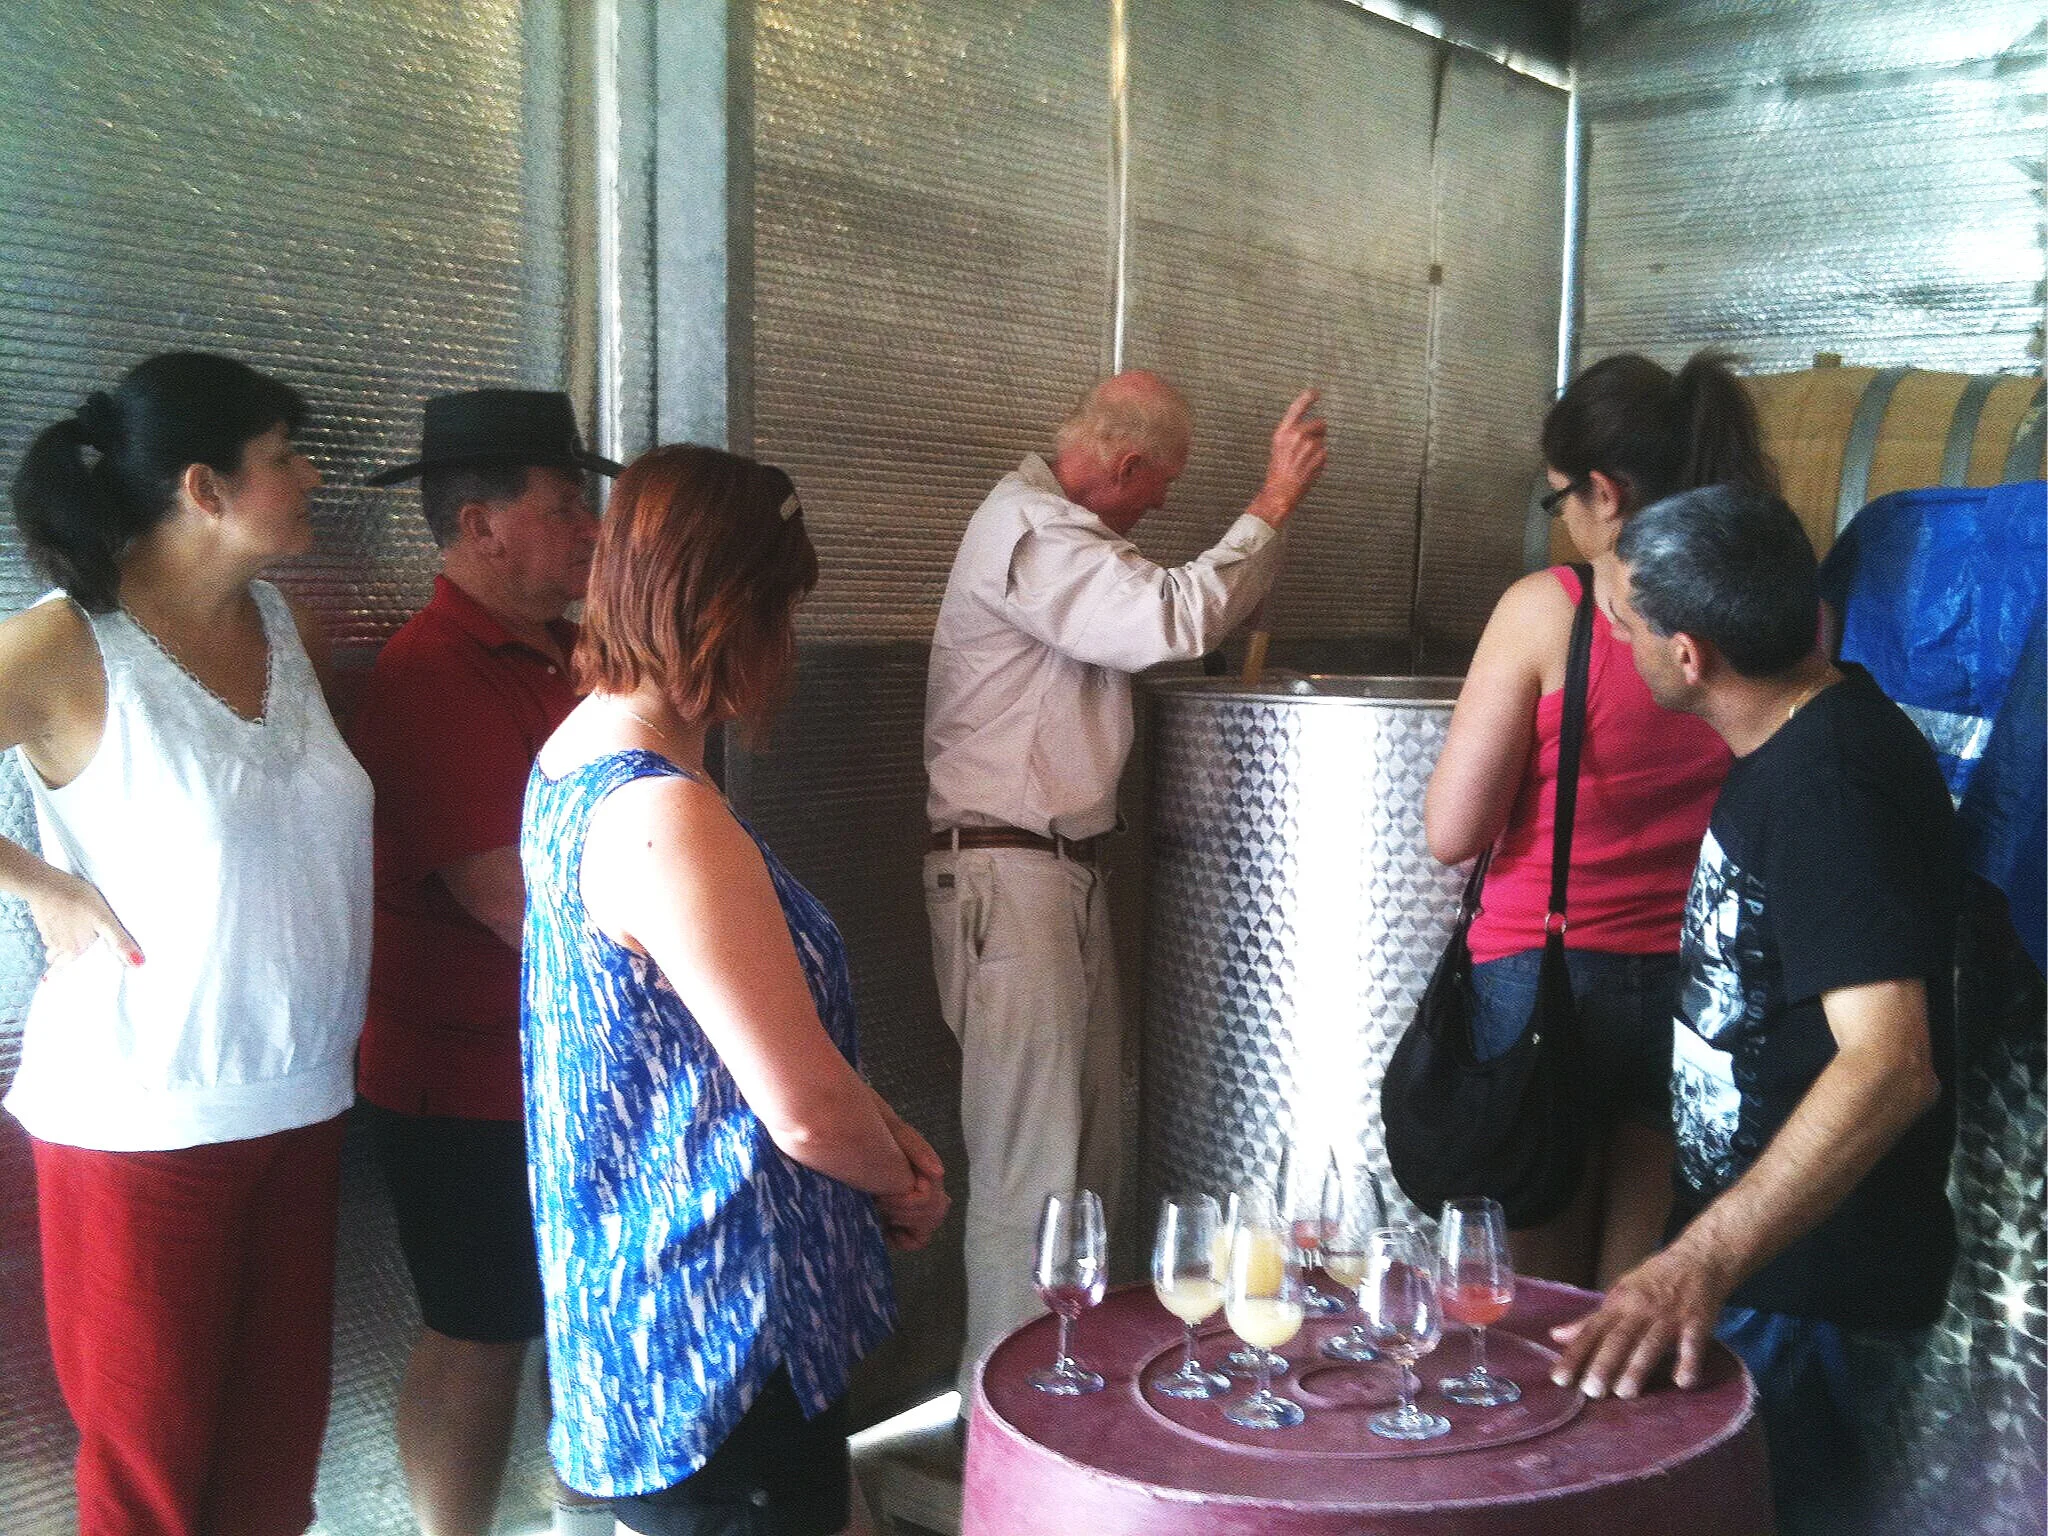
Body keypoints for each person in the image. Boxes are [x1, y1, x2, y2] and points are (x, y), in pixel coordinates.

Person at [522, 443, 948, 1536]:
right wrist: (896, 1178)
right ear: (733, 611)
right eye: (783, 613)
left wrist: (883, 1129)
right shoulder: (661, 812)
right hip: (711, 1337)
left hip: (658, 1311)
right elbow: (800, 1109)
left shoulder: (575, 756)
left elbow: (730, 1032)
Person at [0, 352, 372, 1536]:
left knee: (272, 1484)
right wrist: (40, 885)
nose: (313, 476)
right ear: (204, 488)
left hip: (298, 1101)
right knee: (151, 1493)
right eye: (286, 455)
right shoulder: (70, 646)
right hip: (140, 1124)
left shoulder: (279, 622)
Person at [1553, 484, 1960, 1536]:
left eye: (1624, 626)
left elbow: (1888, 1064)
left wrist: (1698, 1261)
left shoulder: (1829, 787)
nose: (1615, 640)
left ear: (1686, 658)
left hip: (1815, 1294)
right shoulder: (1792, 745)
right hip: (1765, 1279)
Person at [923, 370, 1327, 1392]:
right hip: (1011, 879)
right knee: (1033, 1178)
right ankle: (1004, 1430)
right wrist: (1270, 502)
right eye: (1159, 486)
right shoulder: (1031, 535)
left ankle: (1062, 1402)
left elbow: (1175, 612)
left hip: (1054, 877)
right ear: (1123, 464)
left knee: (1085, 1174)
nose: (1158, 507)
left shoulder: (1070, 539)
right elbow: (1173, 618)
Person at [1423, 351, 1775, 1288]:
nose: (1563, 522)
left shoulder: (1552, 612)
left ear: (1605, 494)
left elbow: (1452, 829)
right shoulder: (1776, 613)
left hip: (1544, 983)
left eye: (1558, 500)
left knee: (1534, 1312)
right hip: (1693, 986)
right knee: (1635, 1301)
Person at [349, 390, 616, 1536]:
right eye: (566, 508)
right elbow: (516, 900)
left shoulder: (566, 653)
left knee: (579, 1317)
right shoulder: (432, 672)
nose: (592, 532)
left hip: (562, 1061)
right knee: (480, 1329)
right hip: (464, 1082)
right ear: (480, 525)